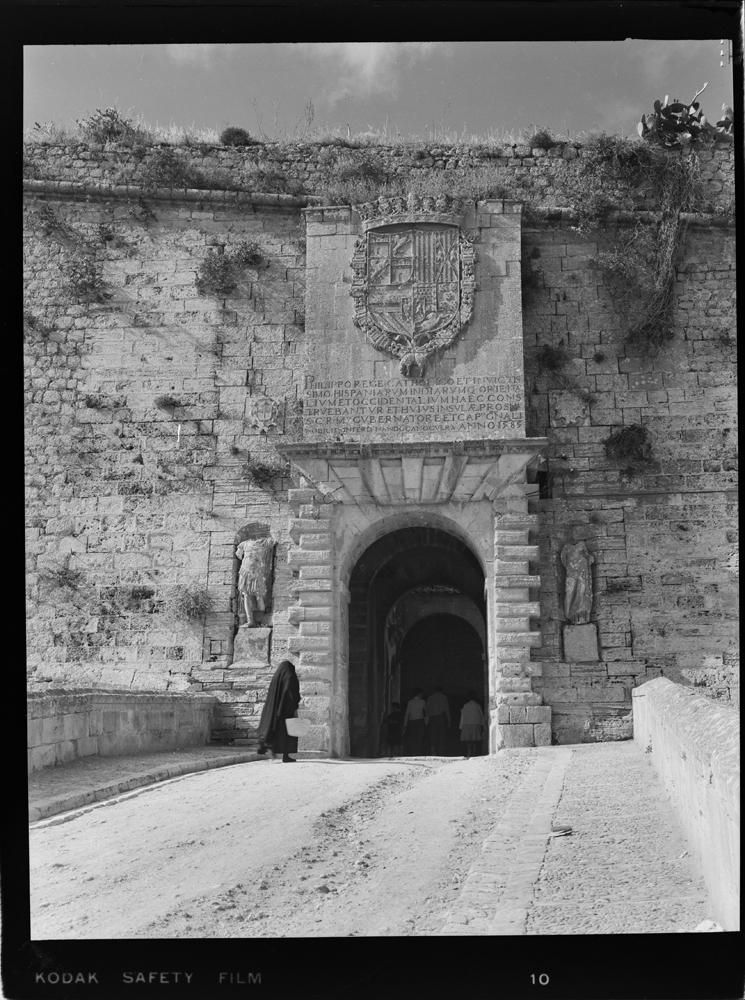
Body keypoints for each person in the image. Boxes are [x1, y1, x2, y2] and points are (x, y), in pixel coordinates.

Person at [256, 659, 301, 763]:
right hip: (286, 710)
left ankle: (271, 749)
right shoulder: (290, 676)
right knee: (288, 733)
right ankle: (286, 755)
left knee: (275, 730)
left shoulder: (277, 676)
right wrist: (294, 705)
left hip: (275, 710)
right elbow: (291, 692)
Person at [425, 686, 451, 755]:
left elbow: (427, 710)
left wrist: (426, 721)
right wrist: (449, 720)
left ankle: (433, 750)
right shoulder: (444, 697)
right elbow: (446, 709)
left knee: (433, 734)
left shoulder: (430, 698)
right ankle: (441, 751)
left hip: (432, 718)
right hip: (441, 717)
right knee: (441, 735)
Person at [459, 691, 485, 759]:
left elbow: (462, 716)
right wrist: (483, 725)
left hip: (466, 724)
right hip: (476, 724)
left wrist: (461, 726)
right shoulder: (477, 705)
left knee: (468, 740)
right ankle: (474, 753)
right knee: (474, 740)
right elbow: (481, 715)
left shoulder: (465, 705)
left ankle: (469, 752)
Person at [403, 689, 427, 755]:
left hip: (412, 722)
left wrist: (405, 724)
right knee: (419, 737)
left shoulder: (410, 702)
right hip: (420, 721)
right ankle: (418, 752)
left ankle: (413, 752)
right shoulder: (423, 701)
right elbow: (426, 713)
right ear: (419, 694)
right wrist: (426, 722)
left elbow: (407, 713)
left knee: (413, 738)